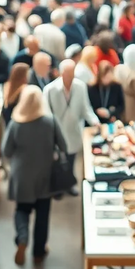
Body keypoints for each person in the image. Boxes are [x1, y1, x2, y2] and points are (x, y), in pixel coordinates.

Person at [3, 85, 67, 265]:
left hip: (22, 175)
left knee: (22, 210)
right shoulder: (50, 121)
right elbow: (63, 146)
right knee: (42, 213)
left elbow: (6, 151)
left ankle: (22, 238)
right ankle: (39, 251)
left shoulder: (16, 123)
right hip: (44, 175)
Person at [43, 60, 100, 195]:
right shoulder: (50, 90)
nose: (70, 76)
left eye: (72, 73)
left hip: (73, 130)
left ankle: (69, 185)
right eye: (68, 73)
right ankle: (56, 187)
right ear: (61, 73)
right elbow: (46, 113)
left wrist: (94, 121)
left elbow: (86, 108)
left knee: (71, 160)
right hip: (57, 133)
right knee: (56, 161)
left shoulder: (80, 87)